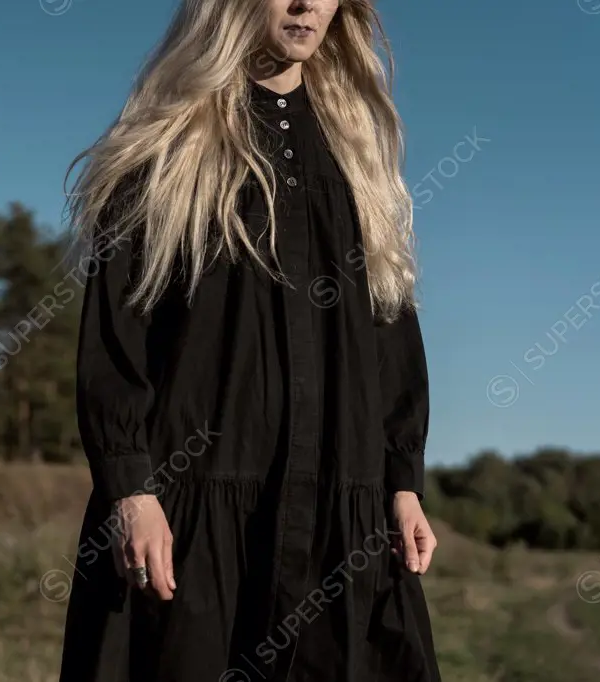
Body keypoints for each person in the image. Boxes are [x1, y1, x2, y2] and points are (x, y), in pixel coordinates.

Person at [59, 1, 440, 681]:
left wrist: (401, 482)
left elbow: (390, 329)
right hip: (190, 511)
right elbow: (118, 335)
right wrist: (132, 489)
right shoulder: (168, 149)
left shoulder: (359, 164)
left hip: (337, 509)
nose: (303, 5)